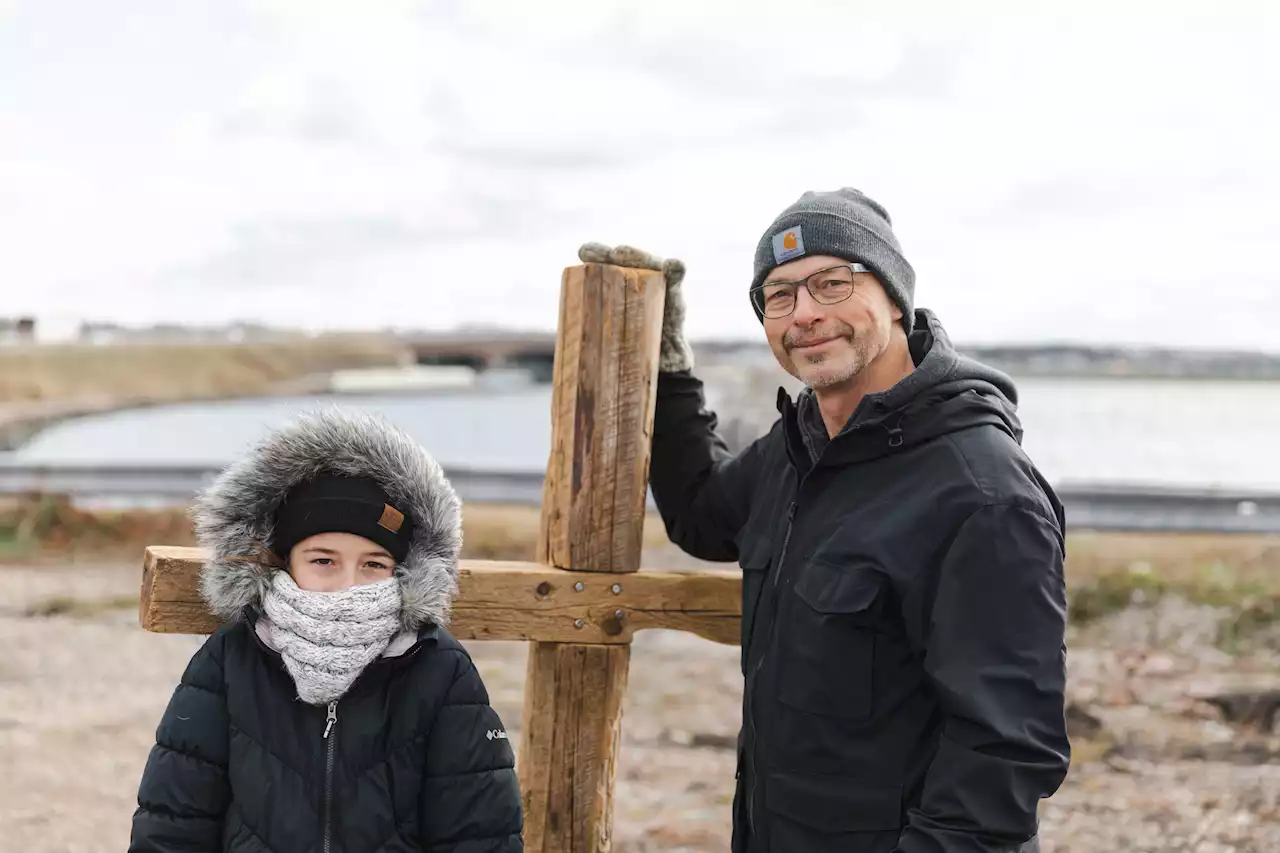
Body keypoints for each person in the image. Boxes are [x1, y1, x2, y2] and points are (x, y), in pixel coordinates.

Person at [579, 187, 1071, 853]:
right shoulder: (802, 447)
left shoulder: (981, 493)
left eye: (831, 283)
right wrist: (665, 370)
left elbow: (1006, 750)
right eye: (778, 296)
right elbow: (701, 511)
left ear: (895, 298)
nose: (804, 314)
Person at [128, 407, 523, 852]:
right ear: (284, 562)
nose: (348, 584)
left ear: (403, 570)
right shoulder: (231, 659)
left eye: (373, 564)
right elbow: (174, 820)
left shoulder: (438, 668)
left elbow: (479, 831)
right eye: (322, 560)